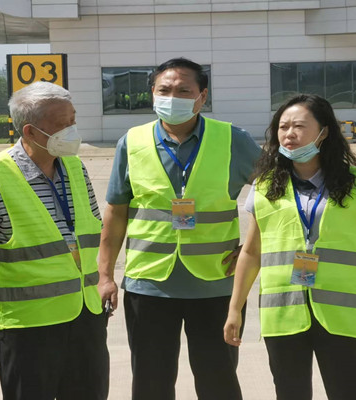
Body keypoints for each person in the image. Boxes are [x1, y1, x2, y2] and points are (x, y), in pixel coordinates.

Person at [98, 57, 261, 400]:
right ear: (152, 94)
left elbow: (277, 194)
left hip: (216, 284)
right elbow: (116, 210)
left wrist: (251, 249)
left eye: (184, 91)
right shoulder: (132, 141)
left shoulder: (233, 139)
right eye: (165, 90)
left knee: (218, 381)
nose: (173, 97)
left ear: (202, 97)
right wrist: (105, 275)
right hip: (149, 285)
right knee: (150, 382)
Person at [224, 94, 356, 400]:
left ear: (324, 131)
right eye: (283, 127)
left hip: (342, 313)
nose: (289, 134)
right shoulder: (265, 187)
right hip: (283, 314)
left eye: (299, 126)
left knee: (346, 393)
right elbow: (251, 252)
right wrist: (234, 309)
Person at [0, 81, 109, 400]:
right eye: (62, 124)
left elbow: (91, 232)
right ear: (30, 131)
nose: (72, 130)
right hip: (27, 325)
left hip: (85, 316)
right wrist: (2, 294)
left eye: (73, 120)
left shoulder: (75, 168)